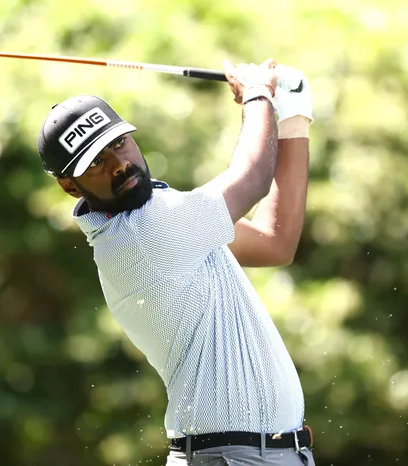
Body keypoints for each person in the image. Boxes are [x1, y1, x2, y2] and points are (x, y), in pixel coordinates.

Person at [37, 57, 315, 466]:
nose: (119, 165)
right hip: (234, 458)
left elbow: (276, 241)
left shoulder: (164, 220)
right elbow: (254, 177)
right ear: (69, 185)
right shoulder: (145, 234)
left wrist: (293, 116)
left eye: (119, 143)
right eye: (96, 163)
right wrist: (258, 93)